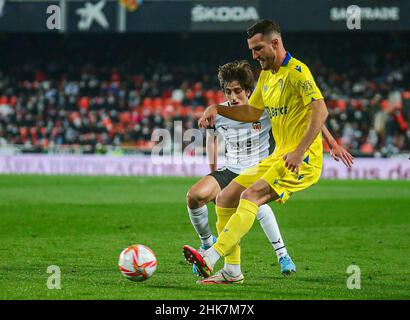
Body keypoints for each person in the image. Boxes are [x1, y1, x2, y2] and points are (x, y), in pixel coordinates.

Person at [183, 20, 349, 284]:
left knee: (251, 195)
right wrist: (217, 108)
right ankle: (232, 270)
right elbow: (252, 112)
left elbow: (320, 110)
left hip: (301, 160)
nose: (254, 55)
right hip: (278, 157)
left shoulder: (297, 72)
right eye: (251, 49)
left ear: (275, 43)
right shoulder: (267, 77)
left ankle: (211, 255)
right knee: (225, 198)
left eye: (258, 48)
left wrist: (303, 150)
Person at [187, 60, 296, 281]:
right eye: (228, 92)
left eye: (238, 91)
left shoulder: (264, 109)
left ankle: (282, 254)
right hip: (230, 170)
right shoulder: (219, 113)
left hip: (258, 169)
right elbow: (212, 141)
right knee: (194, 196)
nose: (233, 96)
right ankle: (207, 245)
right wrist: (213, 173)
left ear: (249, 91)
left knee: (256, 204)